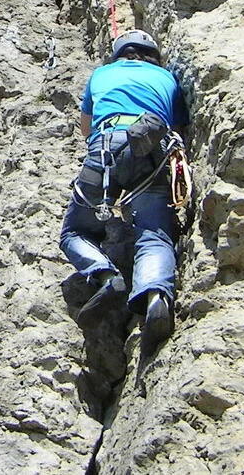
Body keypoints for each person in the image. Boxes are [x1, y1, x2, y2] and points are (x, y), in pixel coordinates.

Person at [59, 29, 190, 347]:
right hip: (152, 148)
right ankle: (157, 296)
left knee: (74, 233)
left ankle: (105, 275)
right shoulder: (167, 78)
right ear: (153, 55)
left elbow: (86, 128)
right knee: (154, 233)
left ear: (118, 53)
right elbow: (179, 127)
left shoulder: (101, 74)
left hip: (105, 145)